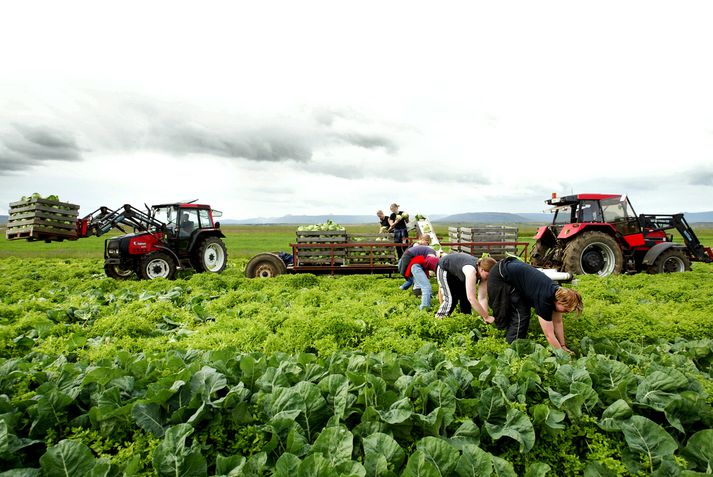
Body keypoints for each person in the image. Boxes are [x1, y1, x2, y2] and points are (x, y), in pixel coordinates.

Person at [487, 257, 583, 351]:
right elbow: (549, 335)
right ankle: (512, 348)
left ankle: (513, 342)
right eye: (566, 310)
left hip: (512, 269)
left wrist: (563, 345)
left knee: (522, 308)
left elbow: (558, 322)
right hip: (500, 276)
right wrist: (562, 356)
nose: (566, 312)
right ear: (559, 301)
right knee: (521, 312)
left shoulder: (556, 293)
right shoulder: (544, 298)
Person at [435, 253, 496, 322]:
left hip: (459, 272)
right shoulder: (471, 271)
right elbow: (471, 298)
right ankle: (439, 320)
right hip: (446, 268)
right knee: (451, 299)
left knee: (465, 299)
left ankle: (465, 321)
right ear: (482, 270)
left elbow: (482, 298)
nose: (490, 277)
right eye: (488, 275)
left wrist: (485, 317)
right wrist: (486, 317)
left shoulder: (485, 275)